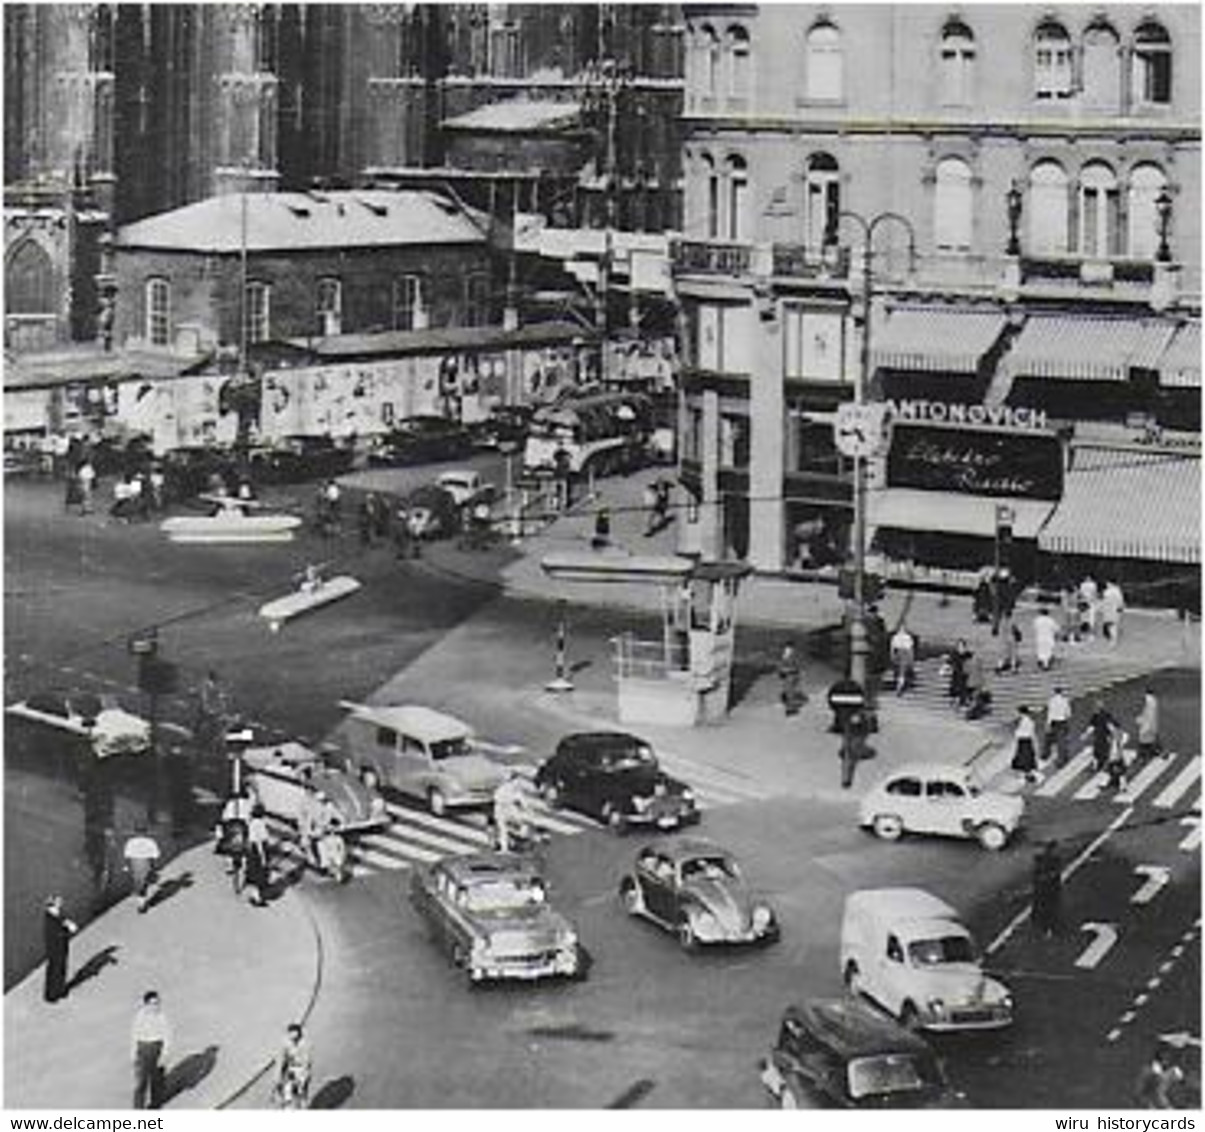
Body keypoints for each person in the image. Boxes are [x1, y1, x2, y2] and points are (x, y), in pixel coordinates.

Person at [131, 990, 171, 1110]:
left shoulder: (162, 1017)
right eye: (153, 1003)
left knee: (157, 1082)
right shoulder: (140, 1016)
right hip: (142, 1049)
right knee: (140, 1083)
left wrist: (165, 1054)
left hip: (157, 1048)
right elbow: (134, 1035)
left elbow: (167, 1036)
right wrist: (133, 1054)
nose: (156, 1006)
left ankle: (155, 1107)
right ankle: (138, 1109)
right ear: (146, 1004)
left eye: (157, 1003)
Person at [43, 896, 78, 1003]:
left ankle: (60, 989)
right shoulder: (50, 917)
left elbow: (63, 921)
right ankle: (52, 995)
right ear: (53, 903)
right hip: (55, 947)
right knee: (55, 970)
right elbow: (55, 933)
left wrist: (67, 924)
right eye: (58, 900)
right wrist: (68, 931)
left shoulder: (57, 913)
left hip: (61, 946)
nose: (61, 902)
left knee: (61, 968)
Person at [492, 771, 534, 853]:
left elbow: (523, 801)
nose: (517, 783)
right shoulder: (505, 789)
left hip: (508, 808)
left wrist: (528, 810)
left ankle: (516, 839)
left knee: (520, 823)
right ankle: (505, 846)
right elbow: (497, 798)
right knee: (503, 828)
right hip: (503, 809)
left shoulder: (512, 790)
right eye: (515, 781)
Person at [123, 824, 161, 913]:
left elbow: (127, 855)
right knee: (143, 883)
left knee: (139, 882)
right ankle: (141, 903)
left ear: (135, 831)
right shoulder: (150, 841)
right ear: (145, 831)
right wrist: (154, 866)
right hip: (145, 862)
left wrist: (126, 865)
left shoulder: (131, 841)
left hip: (135, 862)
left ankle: (141, 903)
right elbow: (155, 855)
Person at [275, 1023, 313, 1109]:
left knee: (301, 1095)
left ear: (300, 1035)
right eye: (291, 1039)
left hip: (302, 1071)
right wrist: (277, 1076)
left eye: (296, 1039)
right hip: (290, 1070)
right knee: (287, 1096)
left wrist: (301, 1079)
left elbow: (306, 1062)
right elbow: (280, 1059)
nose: (293, 1042)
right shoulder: (285, 1043)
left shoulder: (306, 1044)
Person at [1031, 841, 1062, 938]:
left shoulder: (1044, 862)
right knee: (1047, 909)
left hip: (1047, 890)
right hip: (1047, 890)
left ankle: (1047, 928)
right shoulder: (1049, 862)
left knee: (1046, 909)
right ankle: (1047, 928)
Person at [1082, 700, 1121, 774]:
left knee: (1098, 752)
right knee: (1104, 751)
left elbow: (1092, 727)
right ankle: (1103, 765)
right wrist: (1115, 734)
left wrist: (1085, 735)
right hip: (1104, 737)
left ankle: (1098, 766)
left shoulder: (1096, 716)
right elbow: (1112, 725)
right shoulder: (1107, 715)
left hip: (1100, 737)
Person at [245, 805, 271, 907]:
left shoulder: (252, 823)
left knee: (253, 874)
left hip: (252, 850)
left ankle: (254, 896)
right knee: (259, 875)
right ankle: (257, 898)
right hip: (258, 851)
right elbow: (260, 842)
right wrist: (263, 857)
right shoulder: (260, 824)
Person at [1044, 686, 1072, 767]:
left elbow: (1050, 714)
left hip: (1054, 723)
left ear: (1054, 692)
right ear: (1061, 692)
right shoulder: (1065, 700)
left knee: (1051, 740)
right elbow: (1069, 713)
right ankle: (1062, 759)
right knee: (1062, 741)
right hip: (1063, 722)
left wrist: (1048, 724)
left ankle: (1047, 755)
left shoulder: (1051, 701)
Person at [1011, 705, 1040, 784]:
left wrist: (1016, 733)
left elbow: (1024, 732)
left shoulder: (1026, 721)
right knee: (1026, 757)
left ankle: (1028, 774)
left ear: (1021, 713)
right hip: (1026, 741)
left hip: (1024, 741)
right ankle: (1027, 774)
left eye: (1017, 712)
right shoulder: (1027, 721)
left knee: (1024, 758)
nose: (1016, 714)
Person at [778, 644, 805, 716]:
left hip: (792, 676)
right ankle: (790, 709)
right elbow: (782, 668)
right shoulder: (786, 657)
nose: (789, 651)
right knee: (789, 693)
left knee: (791, 692)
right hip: (789, 676)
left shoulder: (790, 657)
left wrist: (798, 672)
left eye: (790, 649)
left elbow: (797, 667)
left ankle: (791, 708)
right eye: (788, 649)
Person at [1135, 688, 1161, 765]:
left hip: (1147, 725)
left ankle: (1142, 757)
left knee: (1143, 741)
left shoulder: (1149, 702)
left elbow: (1146, 714)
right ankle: (1156, 751)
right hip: (1152, 725)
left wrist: (1139, 720)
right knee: (1152, 739)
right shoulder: (1154, 702)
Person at [889, 623, 916, 695]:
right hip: (902, 653)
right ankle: (900, 684)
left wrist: (892, 656)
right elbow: (892, 648)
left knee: (901, 672)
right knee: (901, 672)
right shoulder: (902, 637)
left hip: (902, 654)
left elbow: (892, 648)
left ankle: (900, 684)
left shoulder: (901, 637)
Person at [1032, 606, 1060, 671]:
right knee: (1048, 651)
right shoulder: (1050, 620)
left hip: (1040, 637)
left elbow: (1035, 628)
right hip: (1049, 637)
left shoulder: (1037, 620)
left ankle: (1042, 662)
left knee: (1041, 651)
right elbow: (1056, 629)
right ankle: (1046, 664)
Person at [946, 640, 973, 707]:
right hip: (956, 676)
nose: (960, 648)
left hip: (964, 676)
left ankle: (964, 701)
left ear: (964, 647)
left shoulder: (968, 655)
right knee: (956, 688)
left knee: (964, 689)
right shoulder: (954, 655)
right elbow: (949, 663)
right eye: (959, 646)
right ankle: (955, 701)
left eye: (962, 646)